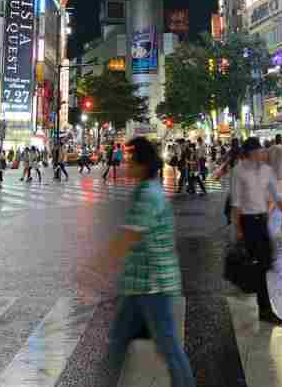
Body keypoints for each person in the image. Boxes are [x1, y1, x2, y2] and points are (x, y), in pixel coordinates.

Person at [94, 137, 196, 387]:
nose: (126, 163)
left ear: (142, 163)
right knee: (118, 342)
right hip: (138, 285)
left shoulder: (148, 194)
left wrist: (96, 267)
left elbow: (129, 236)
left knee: (168, 346)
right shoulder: (145, 190)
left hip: (152, 284)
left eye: (130, 159)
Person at [232, 137, 282, 326]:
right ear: (250, 153)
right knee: (261, 265)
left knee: (265, 262)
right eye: (259, 151)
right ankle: (264, 308)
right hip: (247, 222)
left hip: (261, 221)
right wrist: (238, 229)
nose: (263, 153)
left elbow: (277, 197)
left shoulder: (267, 171)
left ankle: (254, 290)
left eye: (262, 151)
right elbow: (236, 202)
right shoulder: (239, 171)